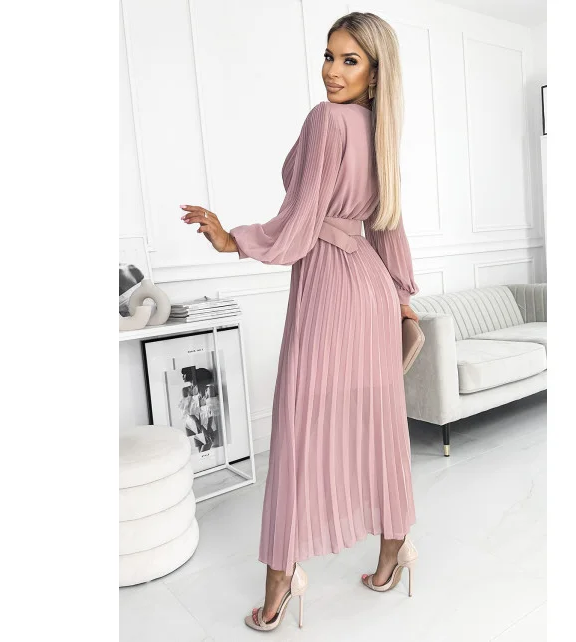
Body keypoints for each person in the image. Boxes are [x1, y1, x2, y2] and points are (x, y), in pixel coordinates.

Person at [181, 12, 420, 632]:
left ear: (375, 74)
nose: (331, 71)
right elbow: (387, 226)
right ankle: (394, 549)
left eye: (349, 60)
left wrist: (234, 239)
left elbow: (302, 220)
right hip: (372, 286)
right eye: (329, 56)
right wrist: (401, 296)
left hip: (329, 287)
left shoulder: (327, 120)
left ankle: (281, 581)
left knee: (297, 427)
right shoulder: (381, 130)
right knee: (376, 422)